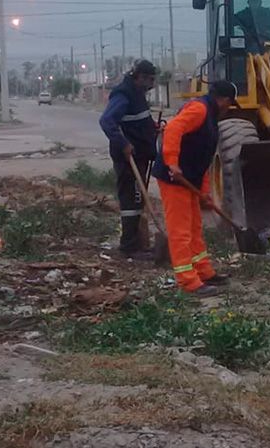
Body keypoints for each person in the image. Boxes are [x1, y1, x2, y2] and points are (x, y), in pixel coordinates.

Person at [150, 80, 239, 296]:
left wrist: (205, 192)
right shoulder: (199, 109)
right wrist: (172, 161)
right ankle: (188, 281)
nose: (229, 108)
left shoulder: (210, 116)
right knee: (180, 231)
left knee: (194, 228)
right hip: (174, 179)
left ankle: (204, 271)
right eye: (230, 104)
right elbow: (172, 128)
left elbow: (203, 159)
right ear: (224, 100)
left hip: (190, 179)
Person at [99, 60, 159, 259]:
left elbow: (138, 120)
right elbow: (107, 121)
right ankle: (130, 247)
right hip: (128, 158)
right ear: (139, 77)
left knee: (137, 200)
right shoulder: (123, 94)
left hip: (141, 156)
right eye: (149, 80)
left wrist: (153, 128)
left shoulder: (137, 94)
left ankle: (137, 243)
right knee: (131, 202)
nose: (152, 84)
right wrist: (123, 144)